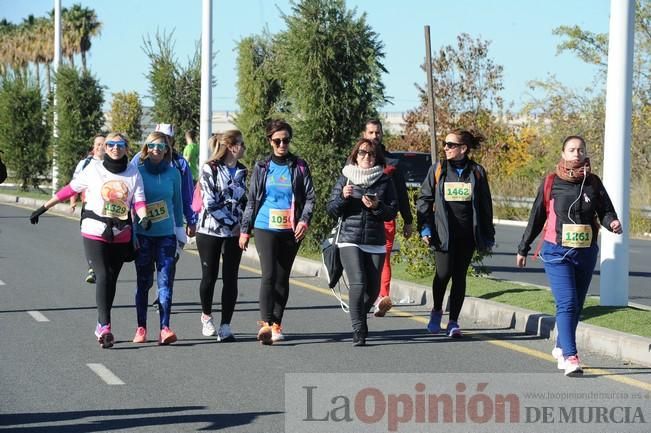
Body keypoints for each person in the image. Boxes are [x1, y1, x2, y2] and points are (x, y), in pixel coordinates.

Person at [29, 132, 150, 348]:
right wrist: (44, 207)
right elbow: (70, 189)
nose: (114, 148)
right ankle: (105, 326)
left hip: (122, 233)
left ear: (126, 148)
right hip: (95, 229)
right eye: (110, 144)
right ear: (105, 147)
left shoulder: (133, 172)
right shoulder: (93, 169)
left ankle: (100, 324)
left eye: (119, 144)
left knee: (111, 279)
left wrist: (144, 217)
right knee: (102, 274)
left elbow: (139, 200)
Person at [516, 135, 622, 377]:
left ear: (585, 154)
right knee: (567, 303)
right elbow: (536, 218)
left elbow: (605, 211)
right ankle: (571, 356)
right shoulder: (551, 182)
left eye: (580, 149)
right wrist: (523, 248)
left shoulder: (593, 182)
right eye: (572, 149)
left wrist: (612, 222)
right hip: (556, 251)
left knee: (577, 306)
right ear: (563, 154)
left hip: (585, 252)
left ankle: (561, 345)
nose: (576, 153)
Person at [239, 120, 315, 345]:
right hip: (265, 226)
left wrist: (304, 221)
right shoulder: (262, 166)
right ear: (270, 141)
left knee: (282, 278)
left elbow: (310, 197)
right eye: (277, 141)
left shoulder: (299, 166)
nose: (282, 144)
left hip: (290, 229)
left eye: (286, 140)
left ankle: (276, 324)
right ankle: (265, 324)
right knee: (269, 275)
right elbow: (252, 200)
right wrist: (245, 230)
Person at [416, 128, 495, 338]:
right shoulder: (439, 169)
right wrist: (425, 227)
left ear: (463, 148)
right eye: (445, 144)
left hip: (467, 234)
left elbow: (485, 204)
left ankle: (453, 321)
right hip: (443, 233)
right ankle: (436, 311)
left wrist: (488, 233)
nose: (446, 148)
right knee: (443, 274)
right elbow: (424, 199)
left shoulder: (477, 171)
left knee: (459, 276)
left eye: (450, 145)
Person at [326, 138, 398, 346]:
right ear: (355, 156)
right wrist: (342, 197)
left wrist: (376, 206)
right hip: (349, 238)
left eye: (371, 154)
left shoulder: (384, 180)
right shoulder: (345, 178)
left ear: (377, 157)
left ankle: (359, 314)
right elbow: (331, 209)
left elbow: (391, 212)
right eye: (362, 153)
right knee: (358, 281)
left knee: (373, 289)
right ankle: (359, 329)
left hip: (375, 240)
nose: (367, 157)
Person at [132, 131, 185, 345]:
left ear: (167, 150)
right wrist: (133, 233)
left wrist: (180, 231)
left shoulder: (174, 174)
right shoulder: (138, 171)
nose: (156, 150)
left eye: (161, 147)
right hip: (143, 236)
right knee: (143, 283)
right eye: (152, 146)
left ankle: (165, 328)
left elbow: (178, 204)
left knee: (165, 284)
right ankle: (141, 328)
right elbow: (131, 204)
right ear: (146, 148)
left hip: (166, 237)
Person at [196, 131, 247, 341]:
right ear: (232, 146)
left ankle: (226, 325)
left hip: (234, 234)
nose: (245, 148)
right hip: (210, 230)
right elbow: (209, 202)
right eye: (242, 144)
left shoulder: (243, 171)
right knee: (210, 276)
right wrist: (231, 224)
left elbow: (246, 201)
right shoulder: (211, 168)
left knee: (231, 277)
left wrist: (244, 227)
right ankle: (206, 316)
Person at [362, 119, 413, 317]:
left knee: (383, 259)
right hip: (360, 220)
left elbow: (401, 194)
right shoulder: (355, 160)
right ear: (365, 134)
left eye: (378, 132)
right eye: (371, 132)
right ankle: (367, 294)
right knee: (362, 261)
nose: (375, 136)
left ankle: (383, 297)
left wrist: (408, 220)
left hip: (386, 218)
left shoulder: (392, 164)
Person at [70, 134, 106, 284]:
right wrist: (73, 201)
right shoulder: (85, 164)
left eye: (103, 144)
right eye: (97, 144)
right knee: (90, 237)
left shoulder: (115, 164)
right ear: (93, 146)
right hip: (88, 207)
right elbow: (75, 183)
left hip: (108, 208)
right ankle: (92, 267)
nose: (100, 147)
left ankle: (103, 266)